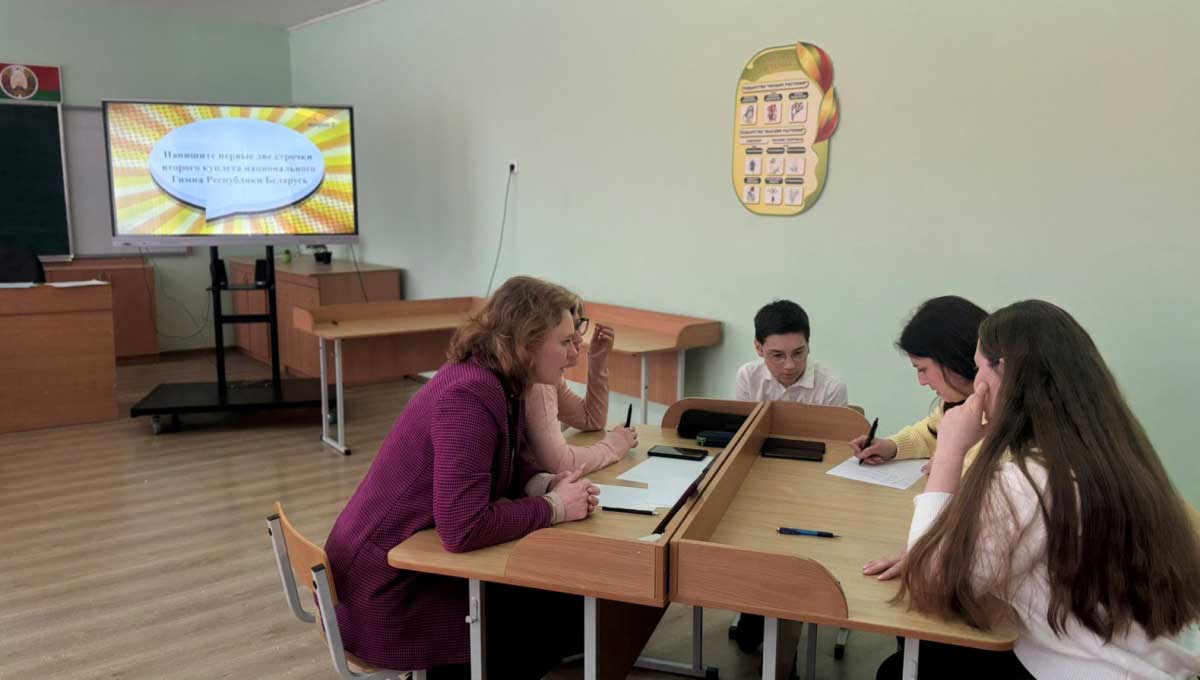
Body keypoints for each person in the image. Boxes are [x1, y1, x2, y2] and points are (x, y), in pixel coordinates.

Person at [873, 300, 1200, 679]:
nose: (977, 384)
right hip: (1150, 662)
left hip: (1089, 668)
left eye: (979, 368)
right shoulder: (1114, 449)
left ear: (1005, 372)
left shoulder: (1031, 478)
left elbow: (928, 584)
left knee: (901, 667)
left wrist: (949, 450)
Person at [324, 276, 600, 679]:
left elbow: (499, 460)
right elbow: (462, 528)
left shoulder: (496, 380)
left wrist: (541, 484)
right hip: (383, 596)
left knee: (567, 602)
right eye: (565, 342)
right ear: (526, 343)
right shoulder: (469, 395)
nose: (575, 354)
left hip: (397, 567)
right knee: (560, 611)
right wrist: (554, 507)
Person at [852, 296, 987, 470]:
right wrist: (892, 446)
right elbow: (929, 434)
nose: (921, 381)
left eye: (923, 369)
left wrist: (947, 463)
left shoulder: (1006, 415)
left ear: (953, 359)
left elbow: (992, 476)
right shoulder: (960, 402)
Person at [523, 298, 637, 474]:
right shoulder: (539, 382)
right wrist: (614, 445)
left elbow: (591, 419)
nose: (578, 338)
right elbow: (561, 463)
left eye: (577, 325)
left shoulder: (547, 375)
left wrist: (598, 359)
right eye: (570, 331)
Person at [734, 299, 847, 406]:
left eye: (798, 353)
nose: (790, 366)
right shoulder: (748, 377)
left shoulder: (832, 388)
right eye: (778, 355)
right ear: (759, 348)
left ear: (808, 346)